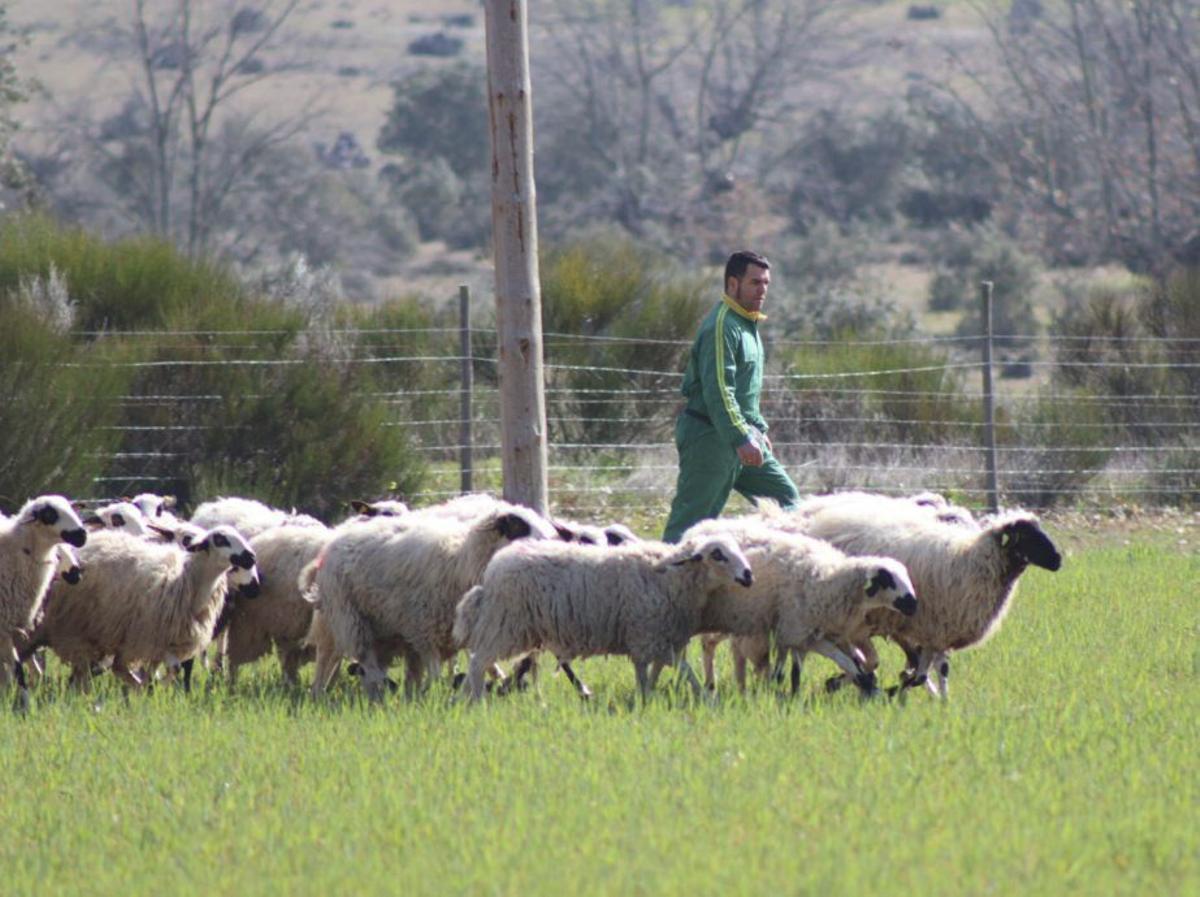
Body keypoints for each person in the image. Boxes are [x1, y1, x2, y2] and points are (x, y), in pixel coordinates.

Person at [661, 250, 799, 542]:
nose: (762, 290)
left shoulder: (746, 324)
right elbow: (720, 389)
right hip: (710, 437)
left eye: (766, 283)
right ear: (733, 284)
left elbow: (746, 391)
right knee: (693, 523)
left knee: (786, 499)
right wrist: (740, 436)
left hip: (740, 436)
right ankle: (663, 582)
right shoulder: (723, 324)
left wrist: (757, 428)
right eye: (754, 282)